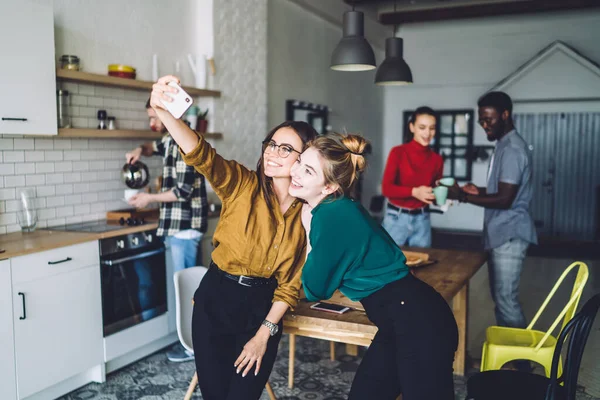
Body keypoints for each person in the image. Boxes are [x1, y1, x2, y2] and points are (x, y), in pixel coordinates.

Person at [149, 75, 317, 400]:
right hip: (215, 301)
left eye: (285, 148)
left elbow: (291, 284)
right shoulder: (241, 184)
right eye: (270, 144)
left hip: (262, 311)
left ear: (304, 158)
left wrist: (264, 333)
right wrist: (166, 113)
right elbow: (202, 155)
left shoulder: (308, 215)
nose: (272, 153)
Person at [290, 133, 458, 399]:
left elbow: (315, 288)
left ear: (329, 187)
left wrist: (308, 226)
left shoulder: (328, 216)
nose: (295, 172)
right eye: (299, 162)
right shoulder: (341, 207)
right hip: (406, 318)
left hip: (418, 324)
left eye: (308, 170)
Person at [447, 91, 537, 370]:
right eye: (481, 121)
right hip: (502, 233)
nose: (485, 125)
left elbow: (505, 199)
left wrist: (463, 196)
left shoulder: (511, 148)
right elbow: (502, 191)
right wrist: (478, 191)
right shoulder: (505, 144)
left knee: (507, 301)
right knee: (502, 299)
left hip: (509, 234)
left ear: (505, 115)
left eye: (489, 119)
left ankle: (522, 365)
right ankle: (512, 357)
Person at [126, 99, 209, 363]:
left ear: (169, 113)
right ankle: (192, 343)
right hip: (177, 227)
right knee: (186, 289)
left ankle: (193, 348)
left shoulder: (185, 142)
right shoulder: (170, 138)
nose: (151, 123)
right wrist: (141, 149)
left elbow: (182, 192)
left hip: (185, 228)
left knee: (190, 293)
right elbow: (154, 147)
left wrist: (148, 199)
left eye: (154, 117)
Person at [381, 106, 443, 247]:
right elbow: (386, 189)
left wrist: (443, 197)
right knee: (390, 264)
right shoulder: (398, 152)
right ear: (412, 127)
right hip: (396, 218)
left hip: (423, 219)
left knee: (423, 266)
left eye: (432, 128)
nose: (428, 133)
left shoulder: (437, 159)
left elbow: (435, 190)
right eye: (422, 127)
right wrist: (414, 192)